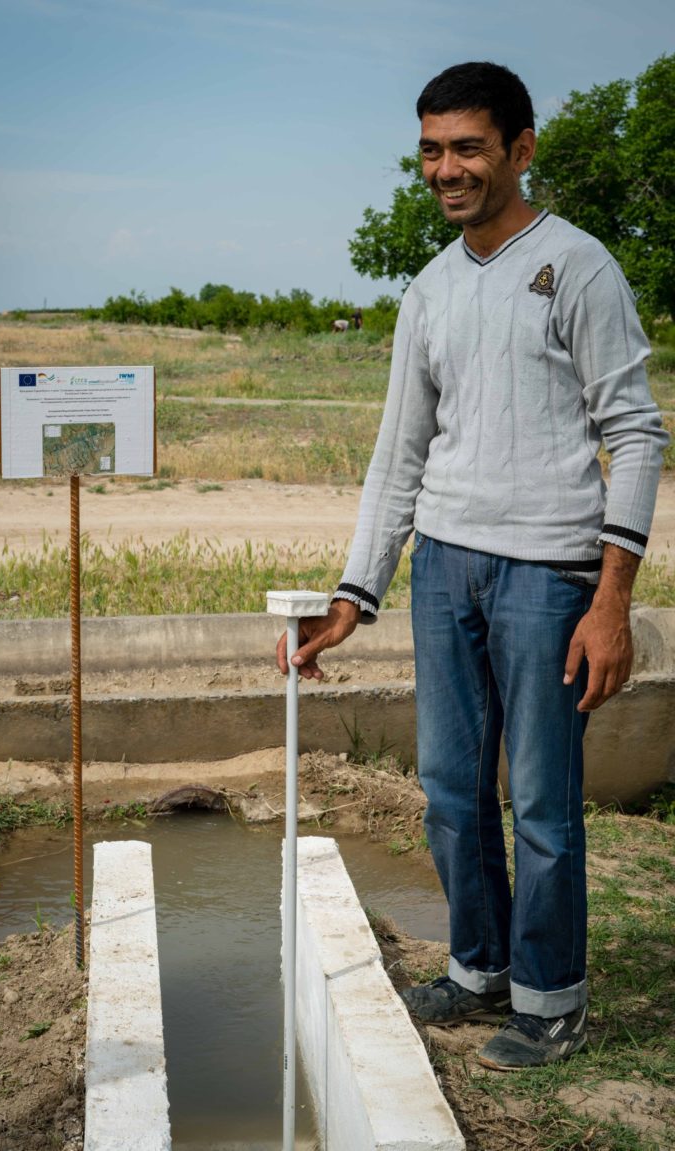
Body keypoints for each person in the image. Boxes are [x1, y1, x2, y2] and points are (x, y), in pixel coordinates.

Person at [276, 61, 668, 1071]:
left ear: (520, 150)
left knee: (539, 800)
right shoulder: (430, 289)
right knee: (452, 791)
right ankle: (480, 967)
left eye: (467, 148)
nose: (445, 169)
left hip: (548, 576)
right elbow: (399, 453)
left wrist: (612, 601)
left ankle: (551, 999)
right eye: (430, 150)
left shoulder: (577, 268)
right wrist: (353, 594)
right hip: (444, 567)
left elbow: (635, 433)